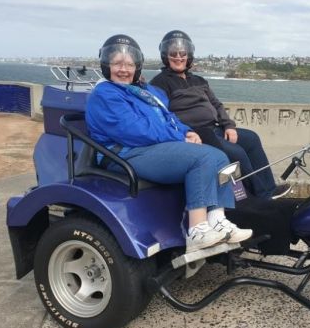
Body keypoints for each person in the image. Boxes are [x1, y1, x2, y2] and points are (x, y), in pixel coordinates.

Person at [85, 34, 252, 253]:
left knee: (219, 156)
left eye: (129, 64)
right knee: (203, 158)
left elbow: (168, 119)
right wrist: (179, 137)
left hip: (148, 148)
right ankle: (197, 230)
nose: (123, 69)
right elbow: (136, 131)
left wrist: (188, 132)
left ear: (137, 67)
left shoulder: (138, 92)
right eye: (117, 64)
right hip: (125, 153)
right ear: (107, 66)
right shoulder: (105, 94)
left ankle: (218, 221)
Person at [150, 30, 291, 200]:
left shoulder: (199, 81)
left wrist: (229, 125)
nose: (179, 57)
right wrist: (184, 132)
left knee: (252, 138)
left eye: (183, 53)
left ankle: (269, 188)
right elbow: (162, 115)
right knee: (237, 153)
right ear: (166, 56)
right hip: (196, 133)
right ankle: (261, 196)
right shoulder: (159, 83)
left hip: (215, 128)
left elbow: (216, 104)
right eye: (173, 53)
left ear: (189, 56)